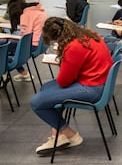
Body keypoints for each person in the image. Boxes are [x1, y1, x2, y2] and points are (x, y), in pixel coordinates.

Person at [30, 17, 113, 156]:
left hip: (91, 88)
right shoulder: (87, 35)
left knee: (36, 102)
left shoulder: (74, 46)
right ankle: (58, 135)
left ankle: (71, 136)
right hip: (98, 83)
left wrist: (63, 61)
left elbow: (64, 81)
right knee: (46, 88)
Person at [0, 0, 47, 82]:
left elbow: (25, 36)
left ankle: (3, 73)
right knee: (7, 48)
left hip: (32, 45)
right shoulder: (38, 11)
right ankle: (21, 73)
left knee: (3, 46)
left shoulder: (26, 14)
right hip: (40, 44)